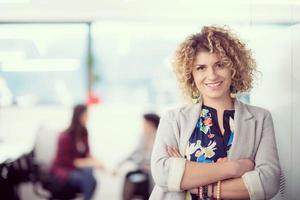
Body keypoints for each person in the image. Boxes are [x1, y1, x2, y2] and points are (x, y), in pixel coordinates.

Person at [150, 26, 281, 200]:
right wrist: (234, 169)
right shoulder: (173, 119)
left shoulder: (260, 118)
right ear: (191, 74)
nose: (211, 75)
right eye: (201, 68)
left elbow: (268, 183)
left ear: (234, 68)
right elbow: (163, 174)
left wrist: (194, 181)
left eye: (220, 65)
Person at [50, 104, 104, 200]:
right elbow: (68, 162)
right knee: (88, 179)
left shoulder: (84, 132)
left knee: (90, 175)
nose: (88, 118)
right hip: (64, 170)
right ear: (79, 116)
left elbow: (87, 154)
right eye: (86, 115)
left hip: (77, 170)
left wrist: (99, 163)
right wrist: (88, 162)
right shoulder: (65, 136)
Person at [115, 113, 160, 200]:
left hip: (154, 171)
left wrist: (151, 167)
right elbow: (134, 152)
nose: (143, 126)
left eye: (144, 123)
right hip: (142, 168)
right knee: (128, 176)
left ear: (151, 124)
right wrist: (120, 164)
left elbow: (160, 158)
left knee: (147, 183)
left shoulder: (160, 138)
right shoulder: (143, 136)